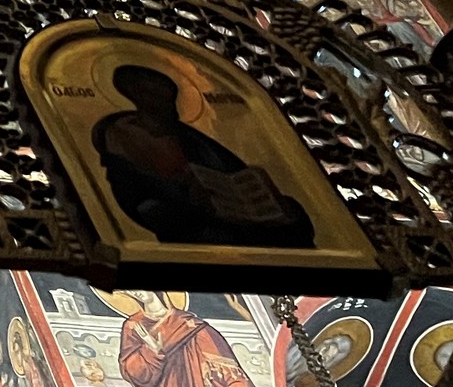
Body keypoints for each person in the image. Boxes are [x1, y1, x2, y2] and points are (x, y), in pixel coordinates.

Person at [92, 65, 314, 250]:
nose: (164, 103)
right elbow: (137, 199)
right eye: (151, 95)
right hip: (192, 226)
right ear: (135, 96)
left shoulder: (190, 136)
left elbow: (233, 173)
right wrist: (188, 197)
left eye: (167, 95)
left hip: (236, 216)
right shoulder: (121, 137)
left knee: (293, 220)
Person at [113, 294, 264, 387]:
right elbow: (138, 376)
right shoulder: (134, 326)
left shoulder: (192, 326)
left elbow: (233, 376)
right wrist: (152, 352)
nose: (136, 292)